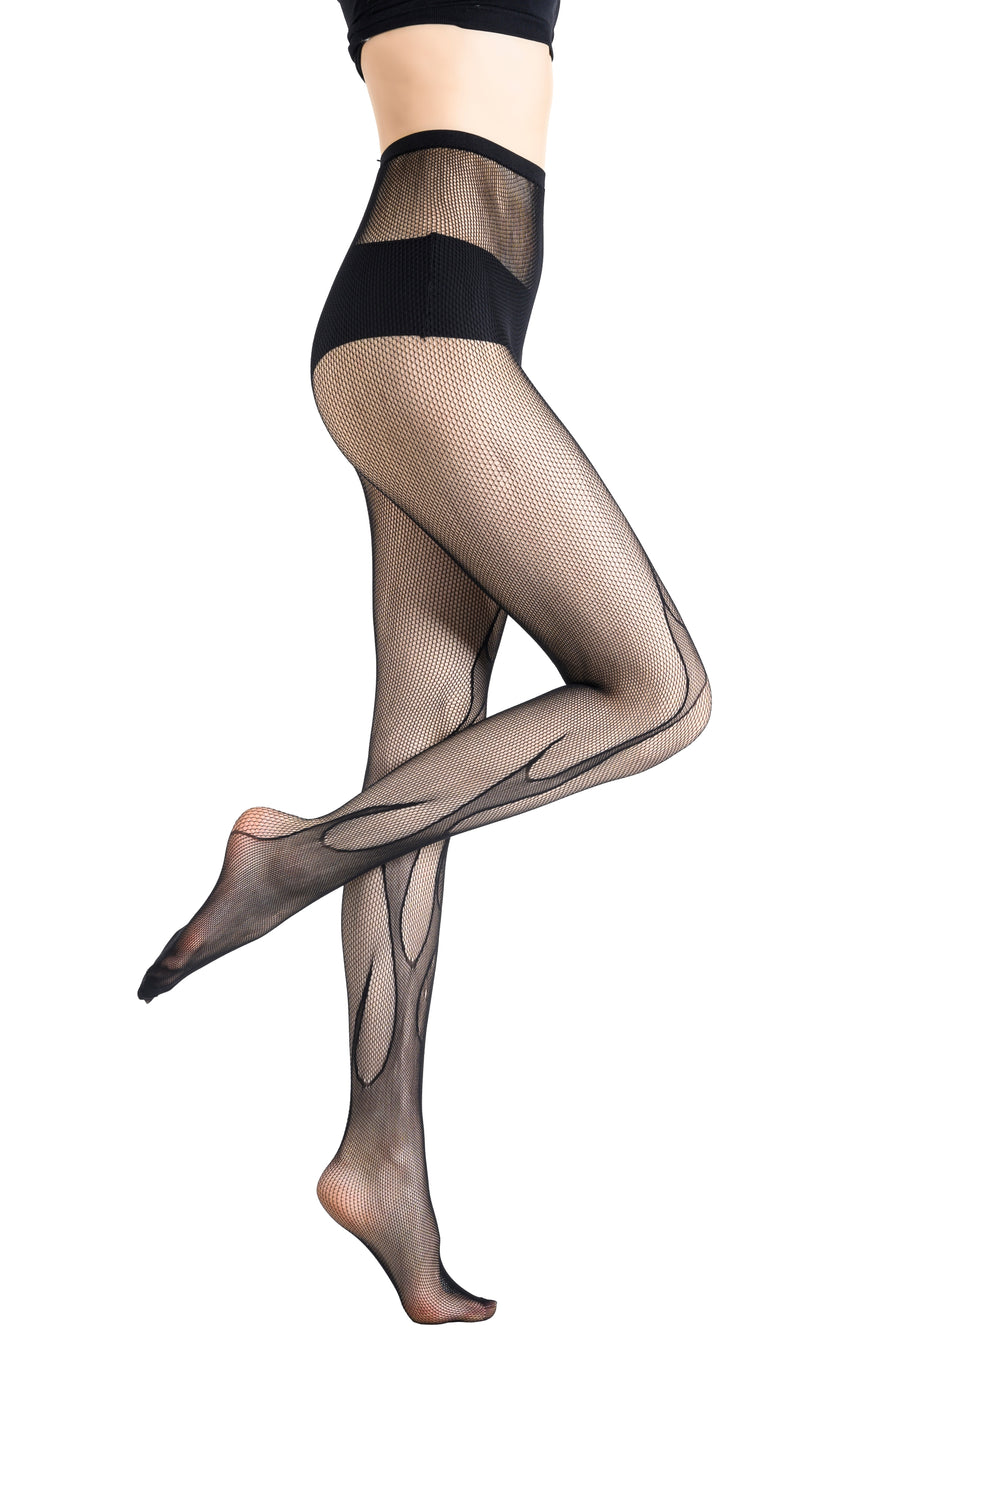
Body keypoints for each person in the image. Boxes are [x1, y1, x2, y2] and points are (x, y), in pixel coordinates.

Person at [138, 3, 712, 1323]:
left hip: (447, 324)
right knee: (663, 692)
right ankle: (290, 862)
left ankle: (381, 1158)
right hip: (426, 330)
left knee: (426, 747)